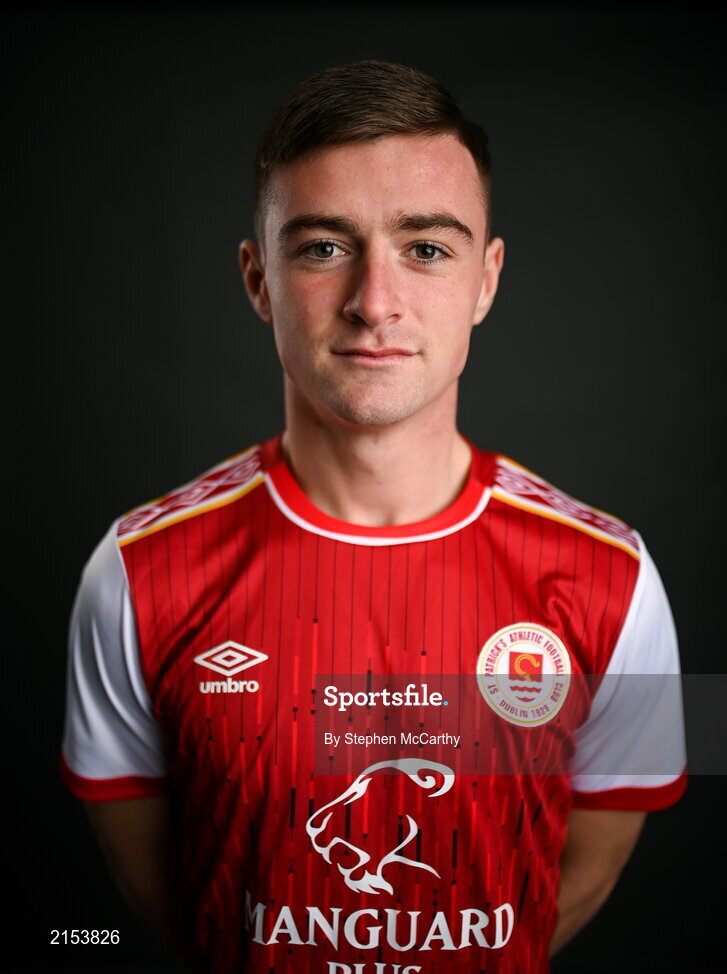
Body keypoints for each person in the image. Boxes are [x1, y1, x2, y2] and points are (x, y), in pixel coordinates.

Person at [60, 60, 687, 974]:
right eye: (323, 248)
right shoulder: (133, 573)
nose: (373, 302)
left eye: (426, 249)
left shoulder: (616, 577)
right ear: (258, 280)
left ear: (485, 280)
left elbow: (583, 867)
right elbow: (163, 889)